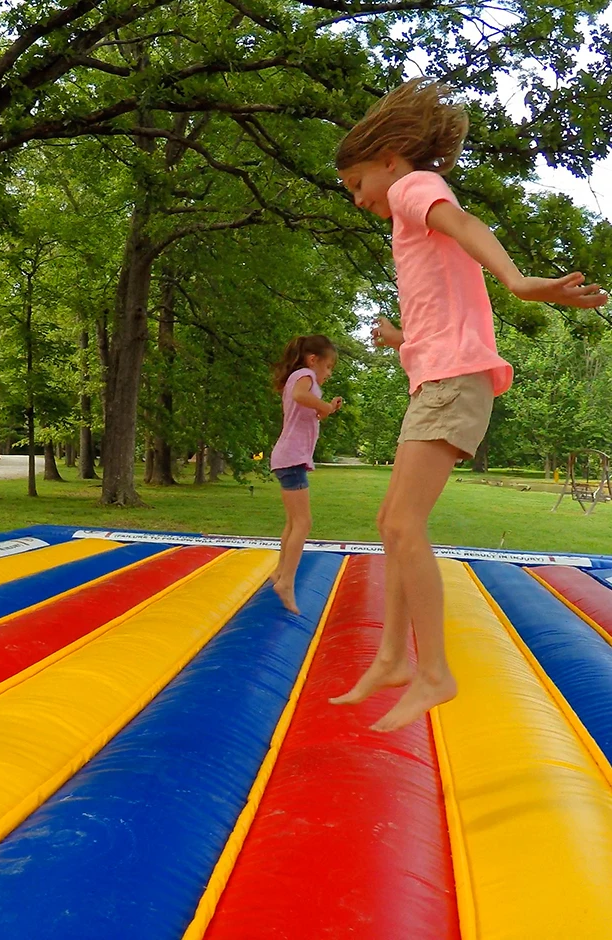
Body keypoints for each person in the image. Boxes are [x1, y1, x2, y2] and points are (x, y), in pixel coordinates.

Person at [329, 77, 606, 732]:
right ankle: (395, 656)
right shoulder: (405, 204)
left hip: (455, 381)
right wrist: (401, 338)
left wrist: (520, 281)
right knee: (389, 519)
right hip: (440, 377)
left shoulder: (410, 190)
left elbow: (466, 224)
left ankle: (432, 671)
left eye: (355, 183)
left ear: (390, 158)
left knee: (402, 526)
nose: (357, 199)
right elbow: (443, 304)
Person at [270, 334, 343, 615]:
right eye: (328, 367)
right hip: (291, 457)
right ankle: (286, 581)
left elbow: (306, 410)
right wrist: (323, 406)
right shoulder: (304, 376)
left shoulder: (298, 379)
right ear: (314, 360)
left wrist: (325, 410)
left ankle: (279, 572)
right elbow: (303, 397)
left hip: (287, 457)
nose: (328, 374)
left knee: (292, 523)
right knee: (303, 522)